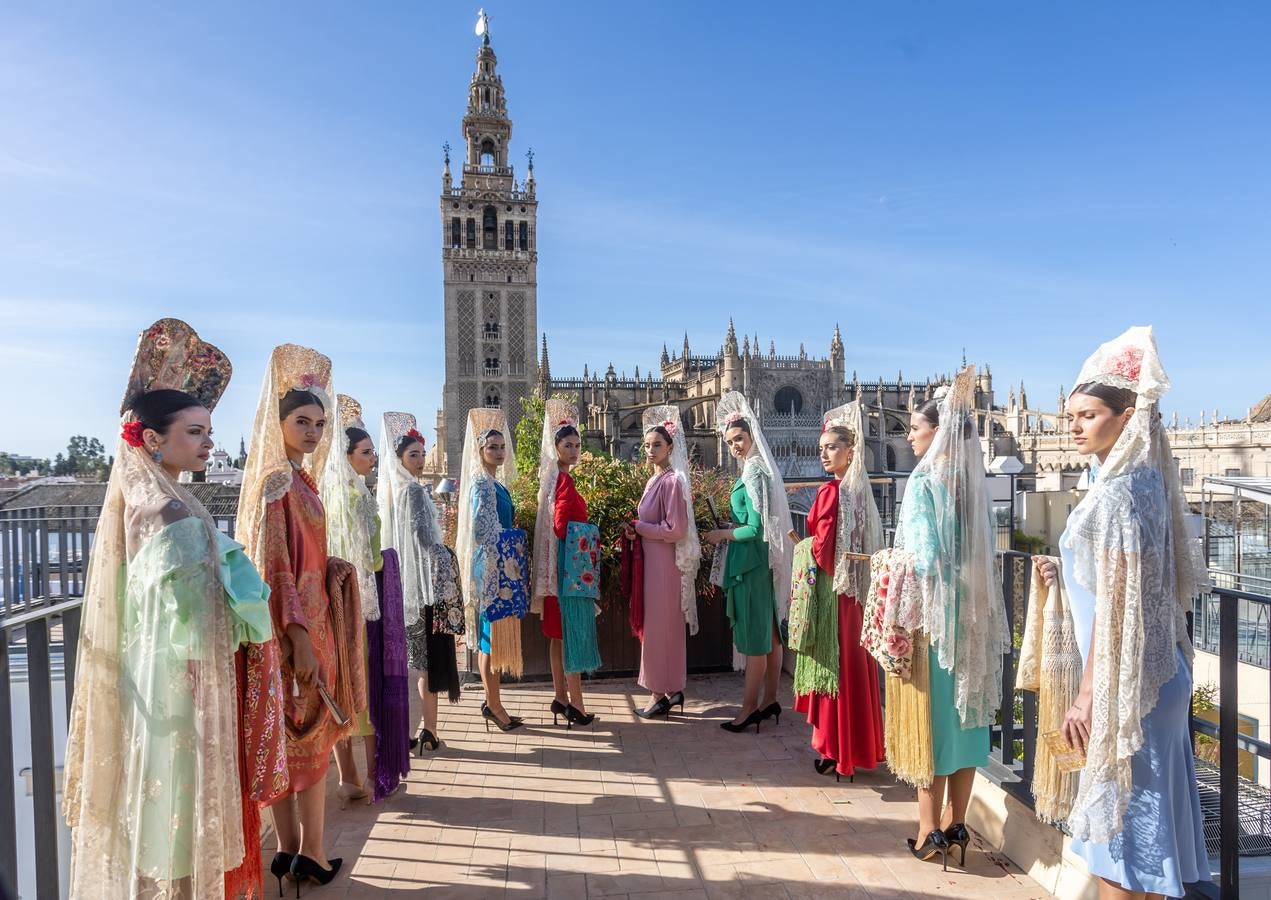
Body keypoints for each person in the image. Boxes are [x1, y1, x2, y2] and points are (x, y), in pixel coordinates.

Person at [62, 318, 285, 899]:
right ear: (153, 439)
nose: (209, 444)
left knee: (151, 826)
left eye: (210, 432)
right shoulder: (174, 514)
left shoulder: (147, 501)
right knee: (182, 830)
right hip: (183, 696)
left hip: (147, 688)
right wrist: (245, 596)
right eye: (196, 432)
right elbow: (199, 621)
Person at [1035, 327, 1210, 899]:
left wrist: (1086, 696)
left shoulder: (1115, 496)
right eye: (1070, 416)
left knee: (1121, 852)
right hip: (1157, 678)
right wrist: (1062, 572)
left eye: (1087, 415)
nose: (1074, 426)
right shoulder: (1141, 483)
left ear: (1126, 416)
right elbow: (1128, 583)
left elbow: (1116, 612)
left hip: (1125, 686)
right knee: (1145, 841)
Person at [238, 344, 366, 890]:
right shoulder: (278, 483)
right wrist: (298, 637)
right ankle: (309, 851)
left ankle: (291, 850)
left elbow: (303, 556)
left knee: (298, 738)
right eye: (302, 422)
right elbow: (277, 567)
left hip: (309, 624)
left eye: (318, 423)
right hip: (300, 631)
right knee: (310, 740)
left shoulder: (298, 477)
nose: (312, 432)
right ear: (280, 421)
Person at [885, 366, 1010, 870]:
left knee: (930, 729)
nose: (908, 435)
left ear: (937, 432)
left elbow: (921, 559)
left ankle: (926, 830)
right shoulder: (972, 484)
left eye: (914, 428)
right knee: (967, 725)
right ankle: (959, 826)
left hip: (935, 622)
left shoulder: (923, 482)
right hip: (973, 621)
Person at [320, 396, 412, 804]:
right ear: (347, 456)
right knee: (367, 686)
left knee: (345, 686)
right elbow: (365, 554)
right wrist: (386, 561)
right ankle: (375, 771)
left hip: (341, 602)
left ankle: (350, 775)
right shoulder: (356, 497)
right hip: (364, 602)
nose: (374, 458)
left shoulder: (341, 492)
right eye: (367, 451)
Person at [792, 401, 886, 780]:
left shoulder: (832, 492)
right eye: (822, 448)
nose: (825, 454)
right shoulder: (860, 490)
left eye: (832, 447)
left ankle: (833, 747)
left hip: (832, 593)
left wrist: (804, 546)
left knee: (832, 667)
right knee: (854, 668)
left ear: (851, 451)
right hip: (855, 593)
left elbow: (823, 547)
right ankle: (854, 748)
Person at [703, 391, 794, 732]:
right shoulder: (757, 468)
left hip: (750, 566)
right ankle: (771, 700)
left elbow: (756, 529)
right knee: (771, 636)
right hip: (758, 562)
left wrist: (723, 535)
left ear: (753, 435)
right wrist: (732, 527)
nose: (734, 446)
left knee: (756, 640)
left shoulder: (754, 471)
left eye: (738, 439)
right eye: (729, 442)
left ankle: (747, 710)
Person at [379, 413, 462, 753]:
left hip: (407, 585)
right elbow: (425, 537)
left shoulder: (396, 492)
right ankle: (429, 729)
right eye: (413, 454)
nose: (420, 460)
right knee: (425, 661)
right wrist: (445, 553)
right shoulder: (413, 491)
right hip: (425, 585)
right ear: (400, 459)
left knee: (417, 660)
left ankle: (422, 729)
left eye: (422, 454)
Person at [623, 406, 701, 719]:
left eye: (656, 444)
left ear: (670, 447)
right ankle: (671, 690)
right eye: (646, 445)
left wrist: (640, 528)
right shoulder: (658, 479)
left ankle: (658, 695)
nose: (650, 450)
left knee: (658, 630)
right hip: (654, 563)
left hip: (664, 567)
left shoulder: (671, 481)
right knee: (661, 629)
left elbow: (676, 530)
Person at [454, 408, 527, 731]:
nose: (499, 452)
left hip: (500, 564)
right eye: (492, 448)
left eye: (501, 447)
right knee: (490, 638)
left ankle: (493, 702)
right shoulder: (482, 485)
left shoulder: (493, 483)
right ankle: (494, 705)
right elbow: (483, 531)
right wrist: (513, 538)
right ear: (480, 451)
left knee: (492, 636)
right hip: (492, 566)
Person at [532, 399, 600, 727]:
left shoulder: (551, 478)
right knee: (571, 636)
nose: (573, 450)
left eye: (577, 445)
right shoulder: (564, 481)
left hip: (554, 573)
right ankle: (579, 706)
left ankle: (560, 697)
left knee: (557, 638)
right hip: (568, 572)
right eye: (567, 445)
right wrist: (583, 531)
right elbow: (560, 525)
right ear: (556, 447)